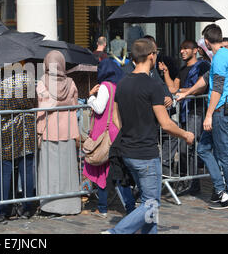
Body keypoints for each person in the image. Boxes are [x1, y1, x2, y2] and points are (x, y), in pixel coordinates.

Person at [104, 38, 194, 234]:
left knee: (148, 203)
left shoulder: (122, 83)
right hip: (145, 153)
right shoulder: (152, 85)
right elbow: (166, 123)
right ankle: (116, 232)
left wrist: (131, 130)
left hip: (128, 150)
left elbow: (115, 119)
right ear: (151, 55)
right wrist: (186, 134)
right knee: (151, 204)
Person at [84, 59, 135, 218]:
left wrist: (91, 97)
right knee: (112, 171)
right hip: (115, 131)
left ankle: (105, 207)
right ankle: (127, 206)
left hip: (104, 133)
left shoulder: (106, 86)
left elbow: (99, 108)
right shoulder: (118, 85)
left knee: (104, 172)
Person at [158, 40, 210, 193]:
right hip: (184, 112)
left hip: (197, 111)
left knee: (189, 147)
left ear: (195, 50)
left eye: (186, 48)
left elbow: (202, 88)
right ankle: (186, 181)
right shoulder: (182, 69)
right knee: (184, 149)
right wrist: (166, 72)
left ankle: (193, 184)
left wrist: (183, 91)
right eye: (181, 49)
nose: (182, 51)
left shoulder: (203, 66)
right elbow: (173, 88)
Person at [36, 50, 81, 215]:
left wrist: (39, 130)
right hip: (68, 131)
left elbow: (41, 109)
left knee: (50, 171)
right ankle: (70, 205)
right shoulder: (71, 82)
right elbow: (75, 105)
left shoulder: (43, 83)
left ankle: (50, 207)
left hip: (49, 131)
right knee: (68, 170)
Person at [0, 62, 37, 223]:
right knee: (26, 169)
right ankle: (27, 207)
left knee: (5, 171)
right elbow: (33, 102)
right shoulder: (28, 79)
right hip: (26, 126)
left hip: (5, 129)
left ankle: (3, 210)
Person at [195, 24, 228, 209]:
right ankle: (220, 190)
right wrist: (186, 93)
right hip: (219, 111)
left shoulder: (221, 57)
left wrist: (208, 115)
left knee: (224, 155)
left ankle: (225, 194)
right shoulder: (220, 56)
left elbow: (217, 87)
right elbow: (207, 79)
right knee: (203, 149)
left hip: (219, 112)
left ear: (206, 41)